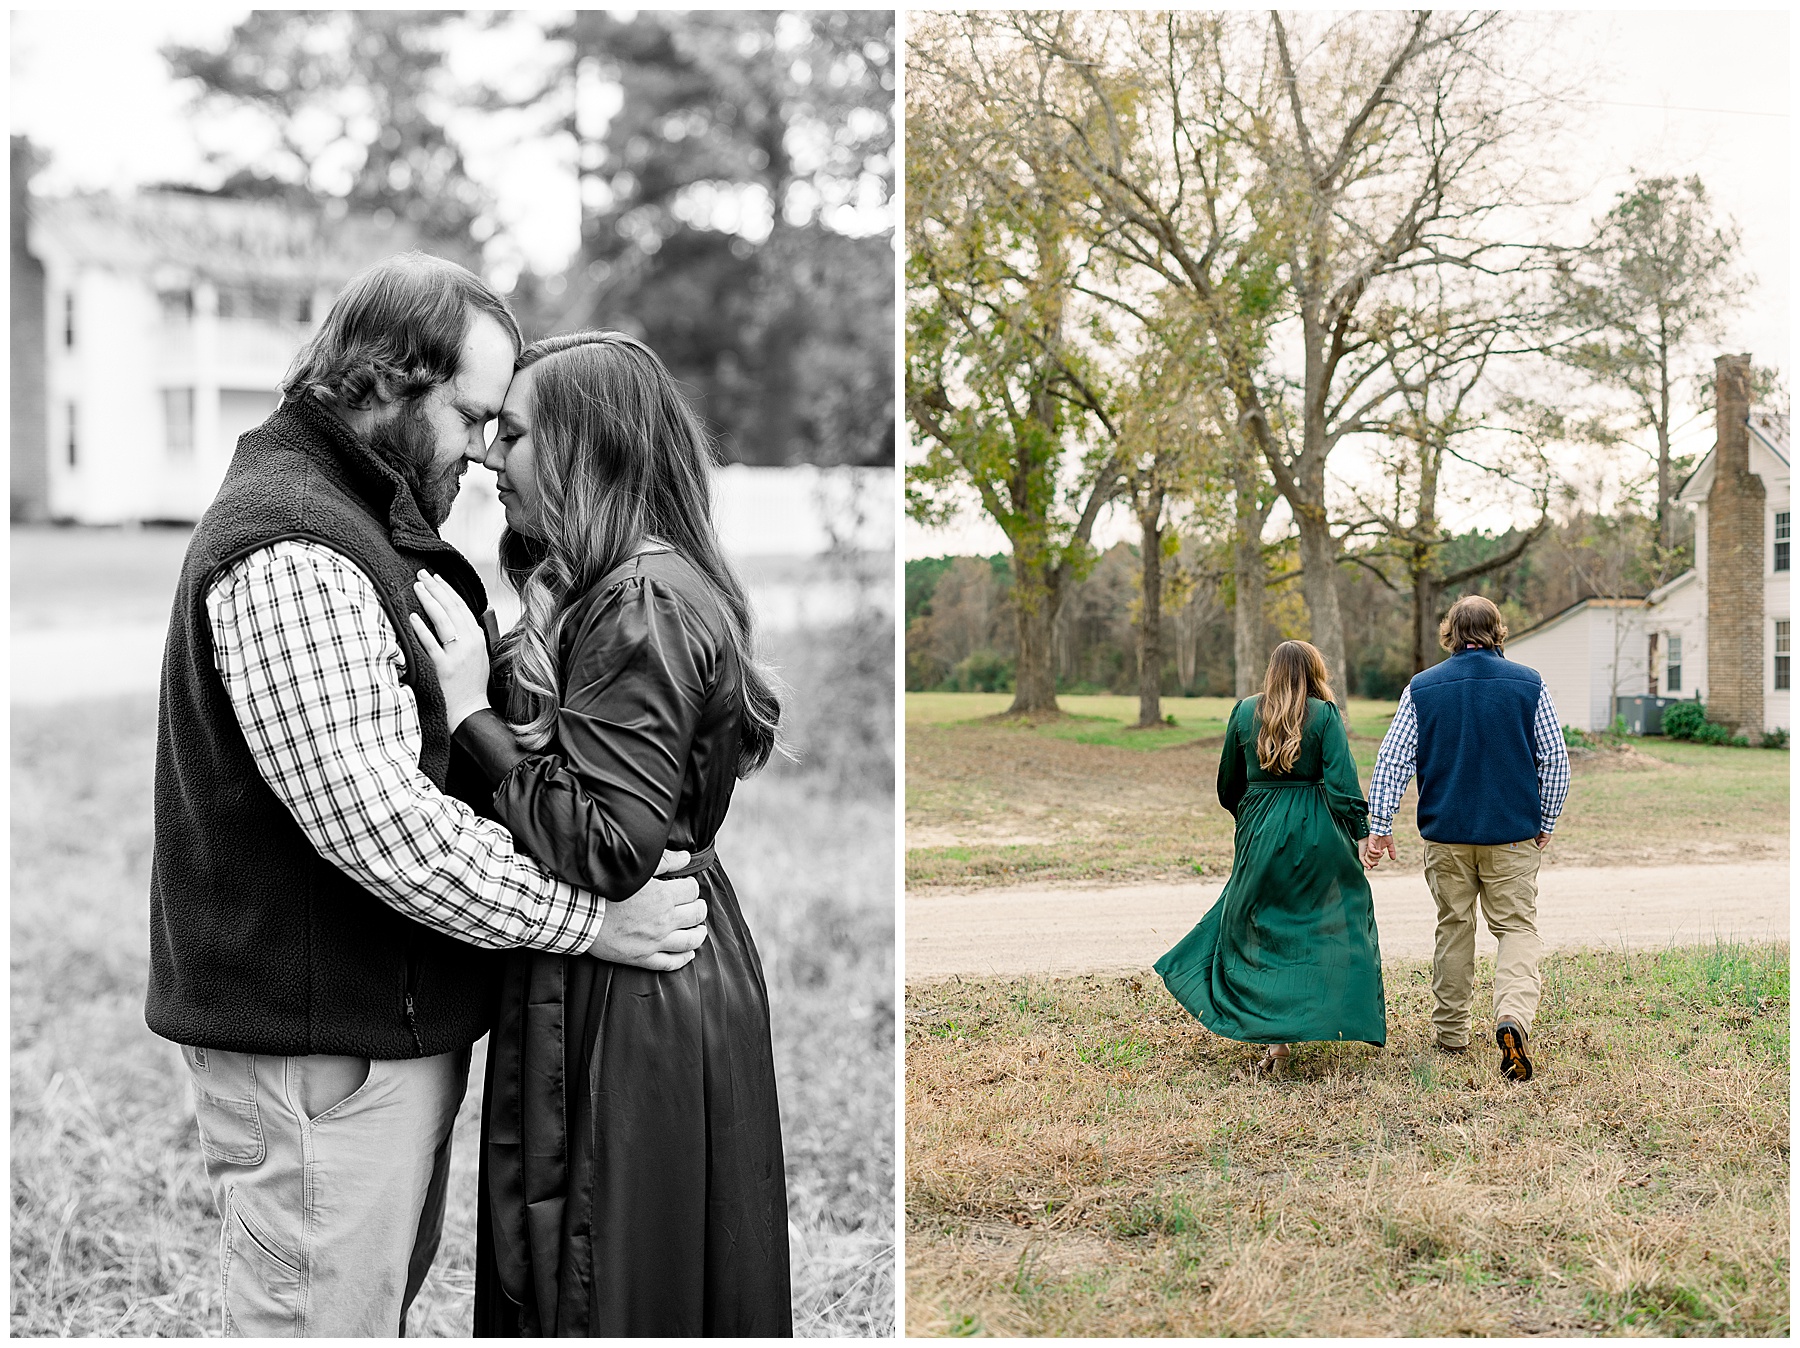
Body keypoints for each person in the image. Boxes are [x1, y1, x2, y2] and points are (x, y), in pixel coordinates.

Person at [146, 255, 710, 1338]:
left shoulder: (357, 519)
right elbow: (379, 823)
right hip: (319, 1056)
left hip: (365, 1043)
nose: (488, 453)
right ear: (384, 381)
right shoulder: (293, 546)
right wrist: (592, 920)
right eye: (473, 416)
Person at [412, 330, 792, 1336]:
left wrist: (470, 713)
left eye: (516, 434)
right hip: (632, 971)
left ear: (590, 446)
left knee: (609, 1282)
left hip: (633, 989)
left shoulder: (642, 600)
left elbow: (611, 844)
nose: (490, 457)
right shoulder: (621, 584)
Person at [1362, 594, 1570, 1082]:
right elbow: (1555, 759)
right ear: (1498, 631)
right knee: (1515, 929)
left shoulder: (1422, 688)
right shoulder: (1529, 684)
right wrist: (1546, 819)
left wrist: (1380, 826)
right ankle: (1512, 1016)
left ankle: (1451, 1033)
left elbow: (1393, 759)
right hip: (1512, 835)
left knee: (1454, 926)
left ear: (1450, 633)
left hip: (1447, 836)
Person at [1155, 640, 1386, 1073]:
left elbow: (1228, 783)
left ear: (1272, 671)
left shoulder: (1245, 712)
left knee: (1259, 924)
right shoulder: (1324, 714)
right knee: (1329, 920)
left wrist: (1252, 817)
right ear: (1314, 672)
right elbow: (1341, 782)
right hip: (1317, 830)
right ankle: (1321, 1014)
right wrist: (1361, 832)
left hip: (1260, 827)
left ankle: (1276, 1040)